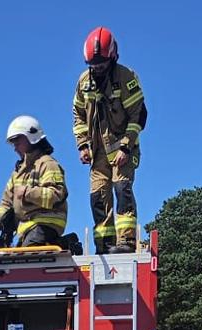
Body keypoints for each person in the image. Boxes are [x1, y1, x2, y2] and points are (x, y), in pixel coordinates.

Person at [71, 26, 147, 254]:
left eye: (101, 65)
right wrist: (83, 145)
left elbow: (139, 115)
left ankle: (126, 242)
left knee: (121, 189)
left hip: (123, 149)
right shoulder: (84, 81)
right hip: (97, 154)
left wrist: (126, 145)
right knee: (98, 197)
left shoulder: (126, 77)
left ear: (112, 58)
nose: (97, 69)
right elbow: (78, 113)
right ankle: (104, 245)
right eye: (93, 65)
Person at [0, 115, 69, 248]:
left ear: (31, 137)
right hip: (26, 231)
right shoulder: (18, 173)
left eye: (17, 142)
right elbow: (6, 202)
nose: (15, 148)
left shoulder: (47, 164)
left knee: (26, 258)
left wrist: (27, 193)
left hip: (46, 225)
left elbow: (56, 195)